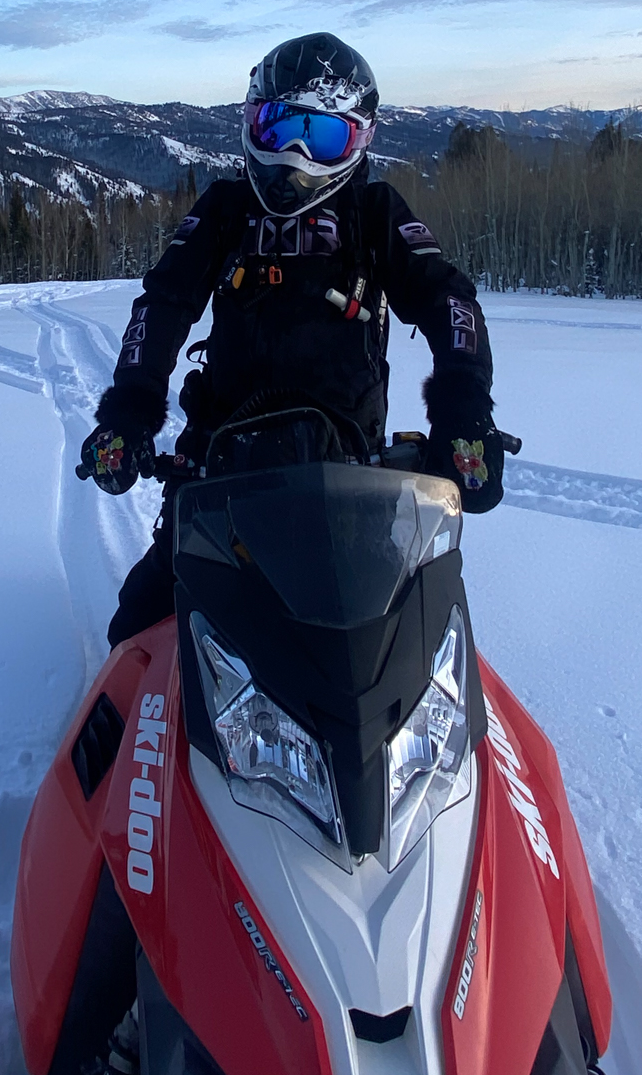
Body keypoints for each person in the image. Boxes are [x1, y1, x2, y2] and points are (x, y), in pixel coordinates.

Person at [80, 32, 504, 651]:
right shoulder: (226, 210)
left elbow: (450, 300)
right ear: (253, 126)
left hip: (350, 484)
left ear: (357, 141)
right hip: (220, 476)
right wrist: (128, 413)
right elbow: (163, 305)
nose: (299, 156)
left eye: (324, 136)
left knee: (402, 647)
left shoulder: (373, 212)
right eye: (281, 129)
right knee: (138, 636)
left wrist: (465, 411)